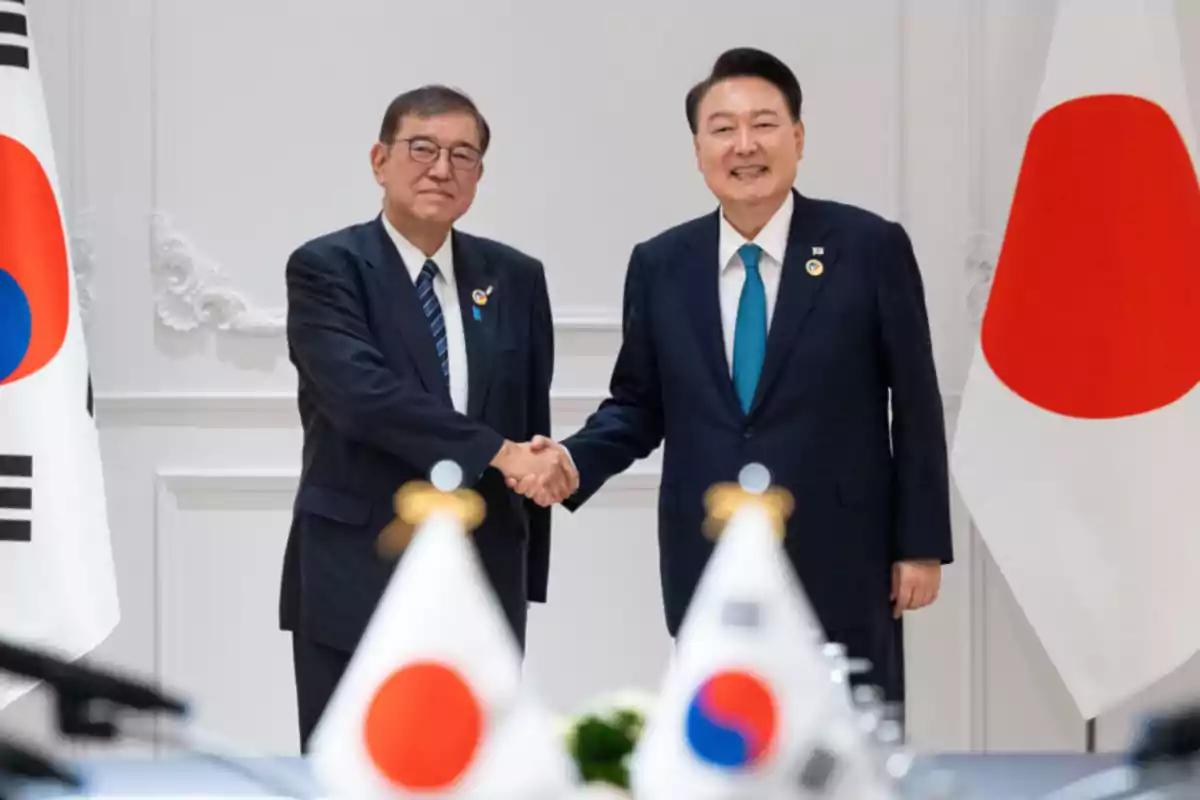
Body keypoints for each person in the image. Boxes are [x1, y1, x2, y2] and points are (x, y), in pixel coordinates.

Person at [513, 48, 952, 706]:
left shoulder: (868, 247)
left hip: (842, 558)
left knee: (846, 750)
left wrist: (919, 546)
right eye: (723, 128)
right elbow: (638, 404)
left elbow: (915, 405)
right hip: (708, 555)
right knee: (722, 745)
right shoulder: (662, 262)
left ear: (798, 138)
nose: (744, 145)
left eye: (764, 124)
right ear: (698, 149)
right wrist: (572, 460)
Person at [278, 85, 577, 750]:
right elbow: (361, 397)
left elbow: (529, 413)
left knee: (479, 769)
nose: (442, 169)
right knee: (352, 770)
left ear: (478, 176)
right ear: (379, 160)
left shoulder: (515, 277)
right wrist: (501, 453)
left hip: (483, 571)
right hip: (357, 567)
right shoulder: (327, 267)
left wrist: (528, 548)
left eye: (462, 155)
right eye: (422, 149)